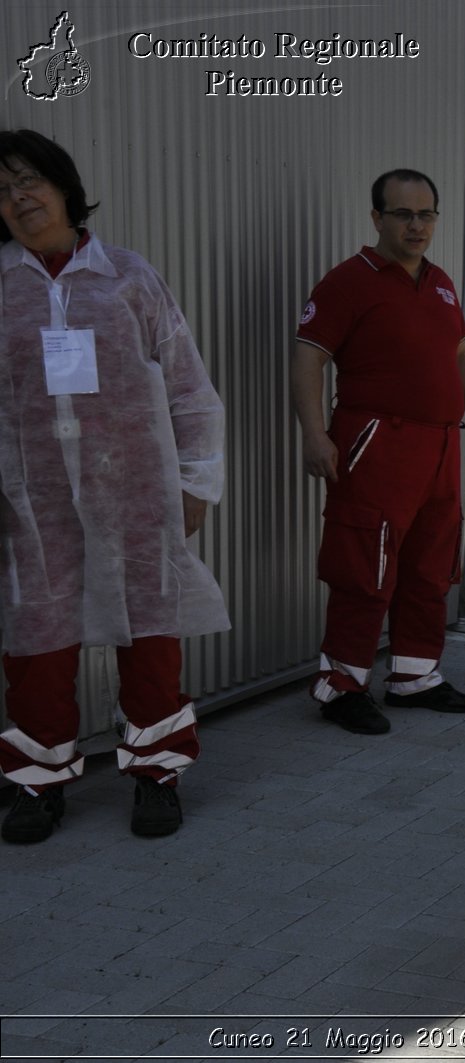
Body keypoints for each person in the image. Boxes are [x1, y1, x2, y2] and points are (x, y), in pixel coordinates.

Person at [0, 130, 229, 843]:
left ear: (63, 185)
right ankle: (38, 781)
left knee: (151, 640)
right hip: (32, 507)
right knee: (37, 647)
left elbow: (189, 387)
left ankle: (156, 774)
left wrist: (196, 481)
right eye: (3, 192)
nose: (19, 198)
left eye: (29, 180)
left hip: (134, 495)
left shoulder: (127, 277)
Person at [292, 169, 465, 736]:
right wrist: (315, 434)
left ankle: (415, 678)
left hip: (438, 445)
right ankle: (341, 687)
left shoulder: (439, 282)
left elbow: (461, 355)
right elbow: (309, 357)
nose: (416, 224)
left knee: (431, 565)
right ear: (377, 218)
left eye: (426, 213)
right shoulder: (347, 282)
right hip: (375, 443)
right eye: (403, 214)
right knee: (365, 564)